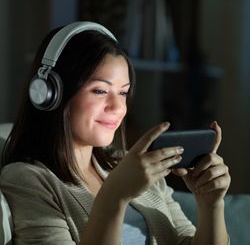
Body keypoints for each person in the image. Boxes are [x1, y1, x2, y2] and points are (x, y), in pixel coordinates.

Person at [0, 21, 231, 245]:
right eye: (100, 91)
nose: (118, 108)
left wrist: (210, 205)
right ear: (50, 93)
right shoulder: (26, 179)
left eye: (123, 93)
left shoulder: (131, 165)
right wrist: (115, 196)